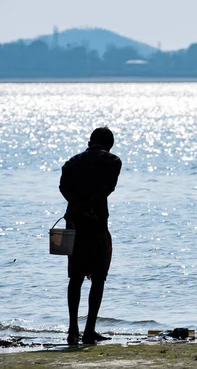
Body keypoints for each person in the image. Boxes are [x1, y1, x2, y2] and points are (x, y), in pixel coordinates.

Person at [59, 127, 122, 345]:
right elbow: (107, 189)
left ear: (89, 142)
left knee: (75, 278)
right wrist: (89, 206)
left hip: (74, 224)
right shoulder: (112, 161)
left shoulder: (72, 162)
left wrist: (78, 206)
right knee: (99, 277)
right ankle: (89, 330)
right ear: (110, 144)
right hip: (97, 226)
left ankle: (72, 330)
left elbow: (63, 187)